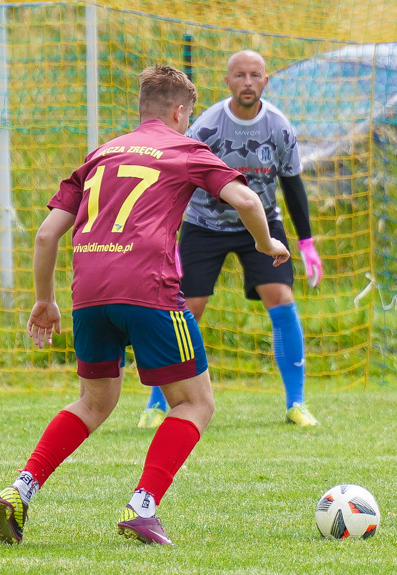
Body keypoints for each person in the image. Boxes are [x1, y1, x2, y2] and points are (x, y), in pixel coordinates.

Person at [0, 64, 289, 546]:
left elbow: (47, 233)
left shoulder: (101, 154)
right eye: (188, 116)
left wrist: (45, 300)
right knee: (195, 403)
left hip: (88, 294)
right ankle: (143, 506)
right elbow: (248, 201)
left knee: (94, 401)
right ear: (178, 112)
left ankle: (21, 486)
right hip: (149, 292)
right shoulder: (186, 148)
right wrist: (265, 244)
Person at [137, 50, 323, 430]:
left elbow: (292, 183)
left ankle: (297, 404)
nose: (248, 82)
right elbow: (178, 178)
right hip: (205, 225)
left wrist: (306, 243)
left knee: (281, 297)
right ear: (228, 82)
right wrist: (166, 233)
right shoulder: (205, 127)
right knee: (186, 308)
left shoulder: (279, 126)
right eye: (240, 75)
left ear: (266, 82)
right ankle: (157, 404)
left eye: (256, 75)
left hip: (262, 223)